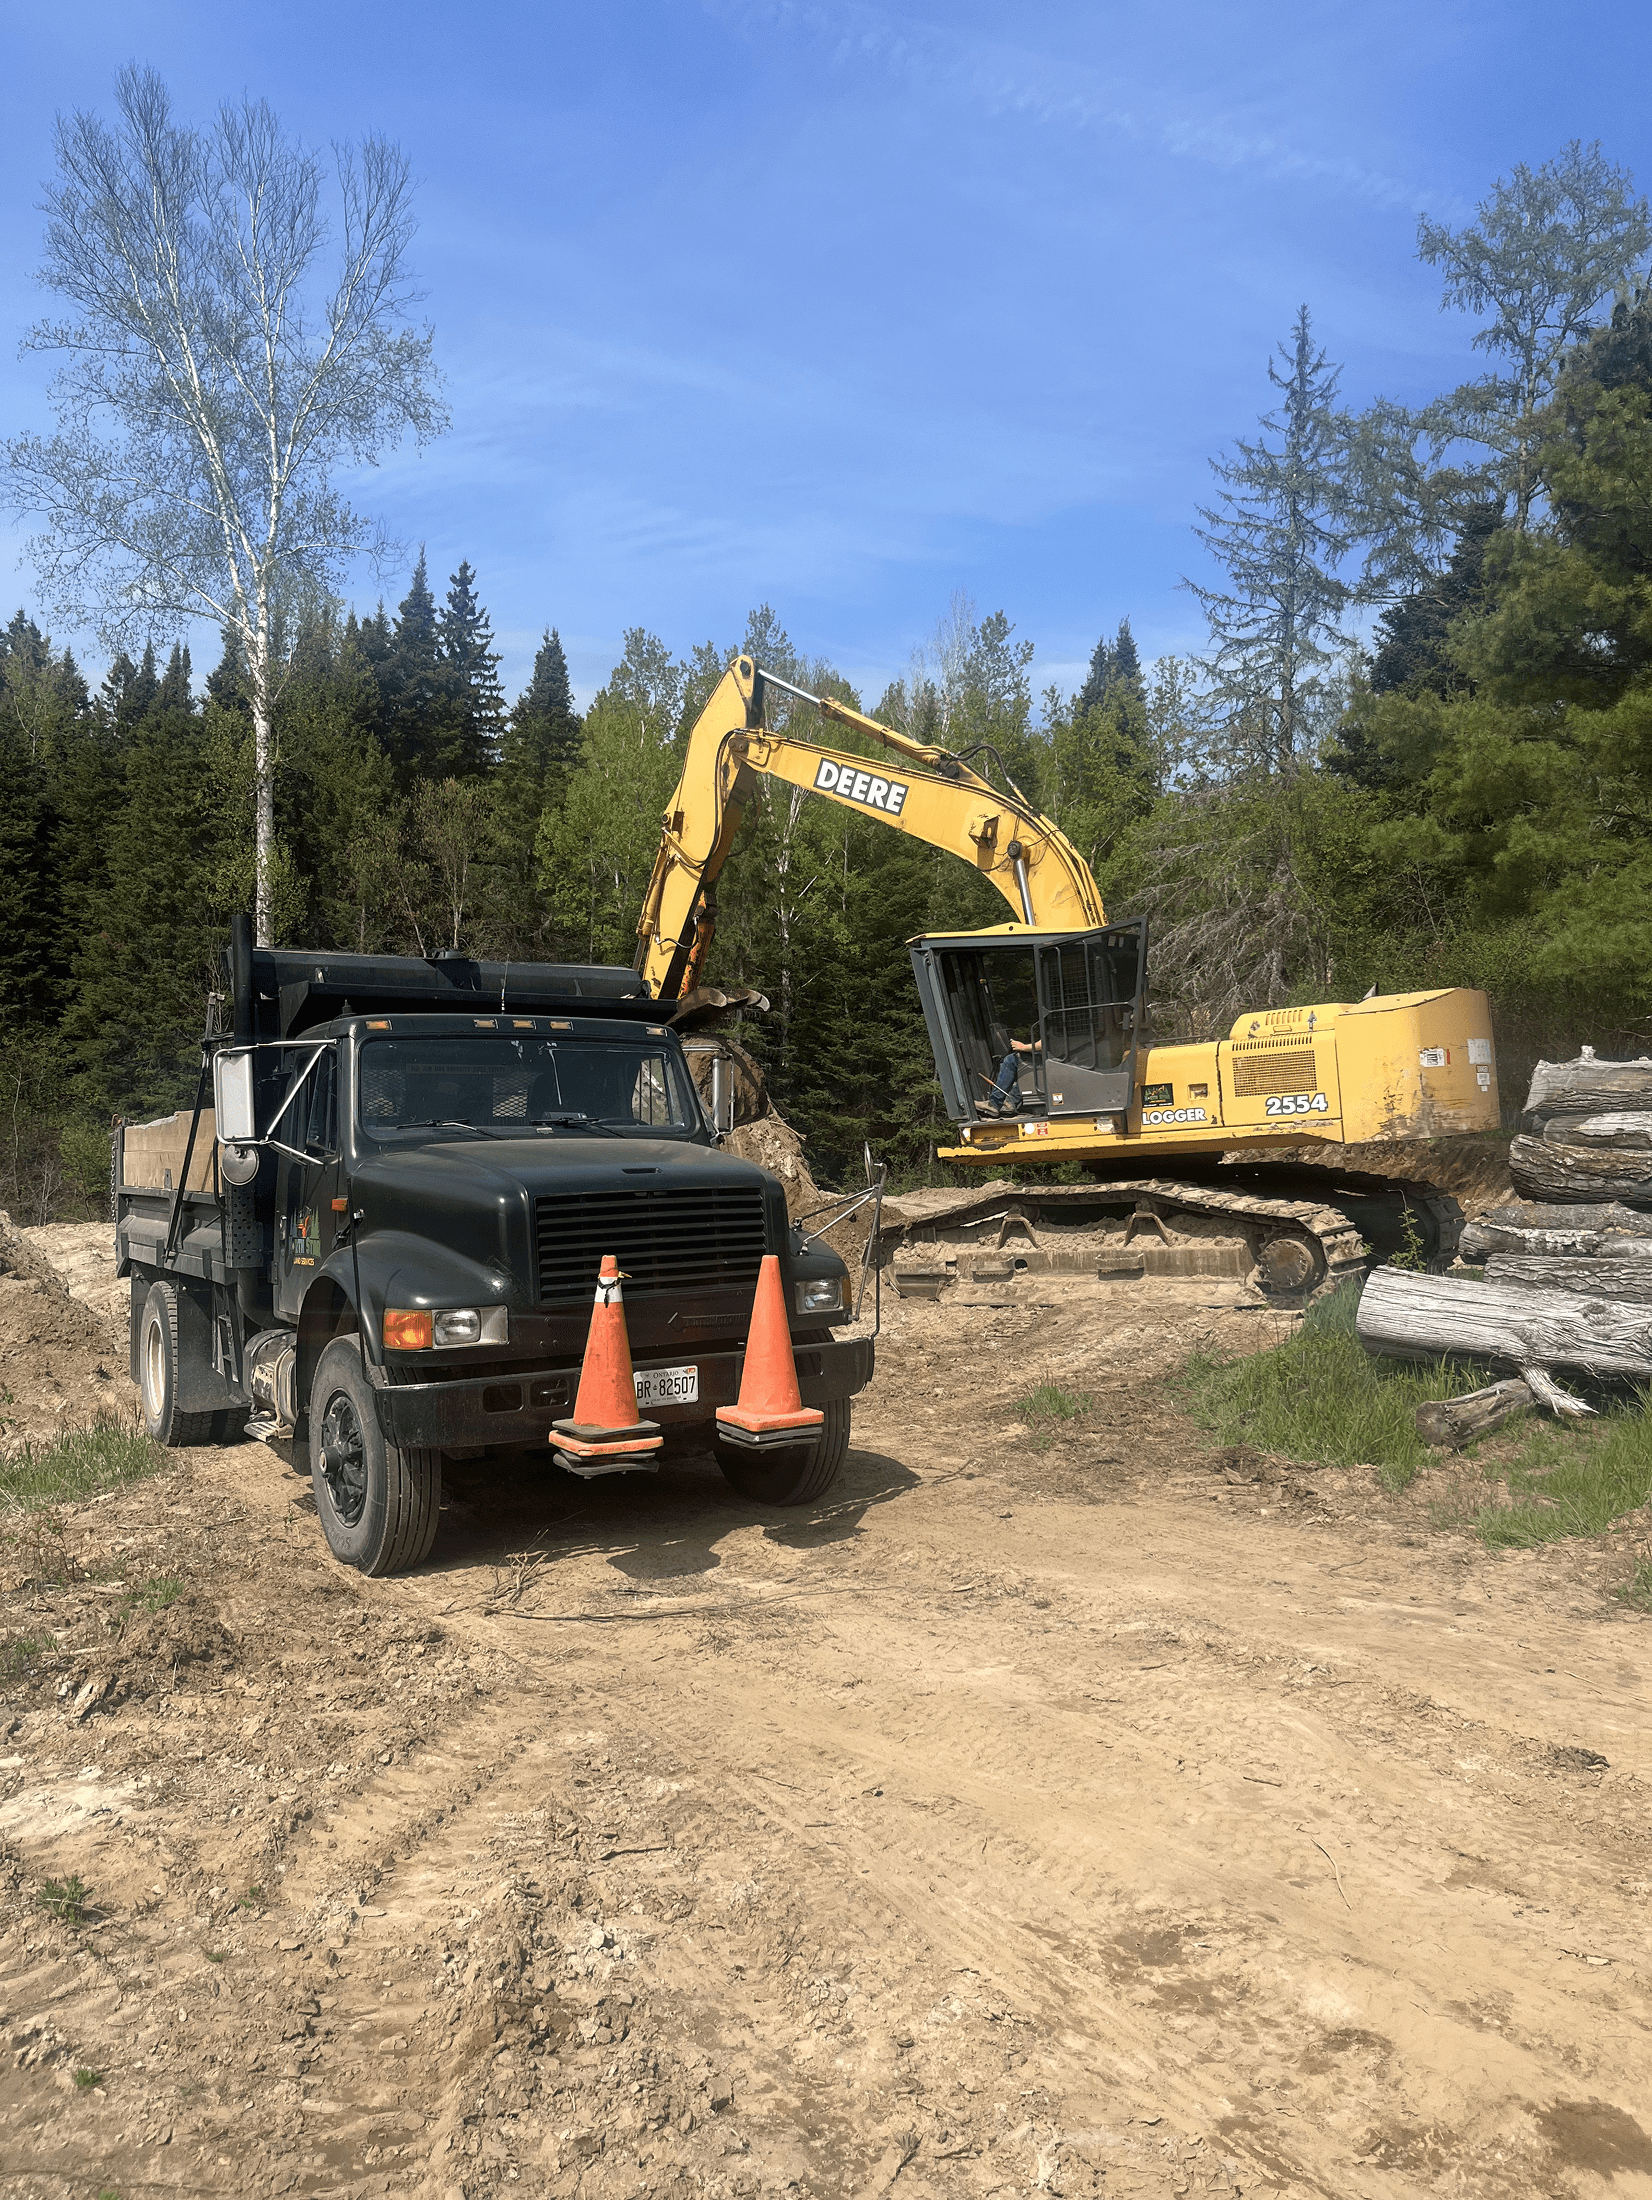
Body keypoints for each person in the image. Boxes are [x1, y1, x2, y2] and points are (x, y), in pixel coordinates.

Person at [981, 1033, 1041, 1115]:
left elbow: (1047, 1043)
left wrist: (1023, 1047)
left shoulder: (1056, 1024)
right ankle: (1010, 1102)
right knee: (1025, 1071)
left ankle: (996, 1102)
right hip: (1055, 1060)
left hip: (1053, 1061)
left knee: (1011, 1060)